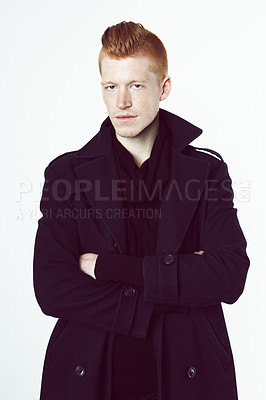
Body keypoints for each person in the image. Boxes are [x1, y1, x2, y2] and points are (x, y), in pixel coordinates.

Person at [33, 21, 249, 400]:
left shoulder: (208, 171)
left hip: (190, 376)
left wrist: (109, 268)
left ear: (163, 88)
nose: (122, 103)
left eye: (136, 85)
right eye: (111, 87)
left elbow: (229, 276)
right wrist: (176, 285)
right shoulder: (65, 173)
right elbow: (51, 289)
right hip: (89, 376)